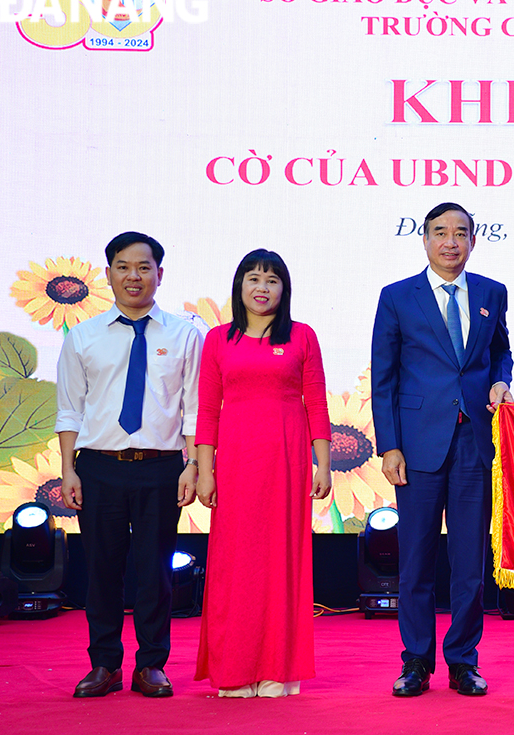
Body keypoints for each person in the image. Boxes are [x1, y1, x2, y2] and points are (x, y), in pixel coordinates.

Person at [371, 202, 514, 698]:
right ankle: (415, 662)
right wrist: (389, 446)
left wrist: (500, 382)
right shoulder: (397, 297)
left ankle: (462, 660)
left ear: (473, 240)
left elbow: (500, 351)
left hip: (474, 440)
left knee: (469, 562)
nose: (451, 242)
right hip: (417, 446)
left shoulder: (492, 293)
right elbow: (384, 376)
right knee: (415, 560)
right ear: (425, 240)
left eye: (460, 233)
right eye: (440, 233)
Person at [56, 231, 202, 698]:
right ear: (108, 274)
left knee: (154, 570)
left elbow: (194, 409)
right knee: (101, 569)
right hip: (98, 466)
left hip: (161, 467)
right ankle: (104, 665)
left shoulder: (185, 334)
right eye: (123, 267)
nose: (133, 276)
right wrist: (68, 468)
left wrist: (192, 465)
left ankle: (151, 665)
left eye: (143, 267)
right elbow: (69, 409)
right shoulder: (83, 336)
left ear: (160, 274)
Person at [193, 249, 332, 698]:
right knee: (236, 564)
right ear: (239, 287)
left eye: (272, 280)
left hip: (287, 462)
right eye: (253, 278)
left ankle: (278, 670)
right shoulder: (218, 339)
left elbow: (318, 404)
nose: (262, 288)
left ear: (284, 290)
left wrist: (323, 463)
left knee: (281, 562)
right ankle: (235, 670)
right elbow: (207, 411)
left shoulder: (302, 337)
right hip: (234, 464)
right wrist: (204, 471)